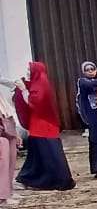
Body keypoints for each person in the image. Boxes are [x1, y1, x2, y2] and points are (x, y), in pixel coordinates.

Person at [14, 62, 75, 191]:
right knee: (40, 155)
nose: (27, 72)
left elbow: (34, 102)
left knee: (48, 155)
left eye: (29, 70)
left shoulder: (41, 83)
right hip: (39, 125)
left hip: (43, 126)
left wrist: (23, 89)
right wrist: (23, 87)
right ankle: (30, 179)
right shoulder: (39, 82)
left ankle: (57, 179)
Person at [0, 80, 19, 209]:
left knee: (11, 159)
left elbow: (7, 110)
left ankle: (8, 191)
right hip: (2, 128)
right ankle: (3, 195)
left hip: (8, 124)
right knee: (3, 161)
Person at [75, 61, 95, 139]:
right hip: (87, 102)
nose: (90, 71)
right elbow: (89, 86)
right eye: (87, 70)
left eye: (92, 69)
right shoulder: (82, 81)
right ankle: (88, 128)